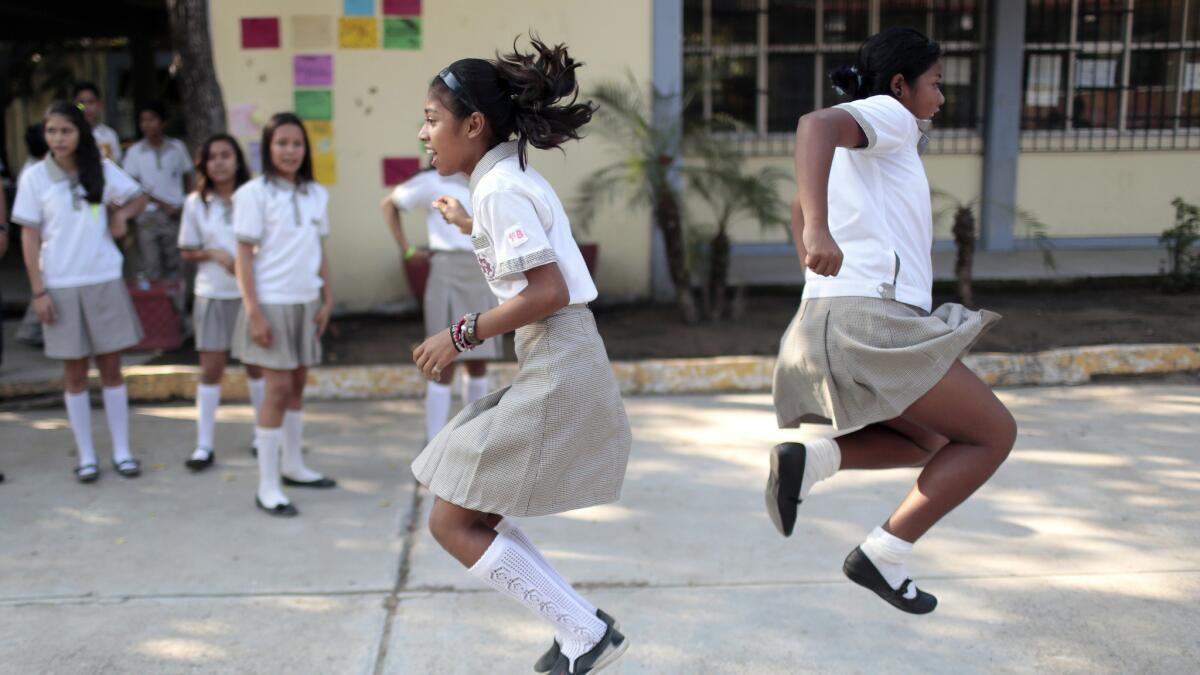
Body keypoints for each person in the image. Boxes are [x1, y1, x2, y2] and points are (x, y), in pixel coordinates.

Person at [764, 27, 1015, 615]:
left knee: (928, 437)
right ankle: (885, 553)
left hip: (824, 319)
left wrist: (813, 237)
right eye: (936, 83)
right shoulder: (890, 115)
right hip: (870, 319)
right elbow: (813, 126)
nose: (941, 98)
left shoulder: (870, 145)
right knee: (992, 434)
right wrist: (819, 234)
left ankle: (812, 460)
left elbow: (799, 203)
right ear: (901, 84)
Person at [410, 37, 631, 675]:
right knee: (465, 510)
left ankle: (584, 632)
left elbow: (548, 289)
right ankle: (583, 630)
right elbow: (534, 260)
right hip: (557, 357)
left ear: (472, 125)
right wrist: (467, 224)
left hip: (560, 360)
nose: (424, 133)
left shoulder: (500, 188)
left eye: (431, 118)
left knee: (452, 522)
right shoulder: (501, 181)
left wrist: (459, 335)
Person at [11, 101, 149, 483]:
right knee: (74, 373)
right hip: (60, 284)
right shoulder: (35, 177)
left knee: (111, 369)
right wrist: (39, 292)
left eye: (65, 131)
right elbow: (29, 235)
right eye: (51, 131)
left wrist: (120, 215)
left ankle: (122, 451)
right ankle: (87, 456)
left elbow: (139, 196)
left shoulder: (100, 169)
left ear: (80, 134)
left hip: (103, 278)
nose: (57, 138)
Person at [233, 112, 336, 517]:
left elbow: (321, 250)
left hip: (306, 301)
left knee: (296, 387)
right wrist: (254, 311)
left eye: (296, 143)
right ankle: (268, 485)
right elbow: (243, 257)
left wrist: (327, 298)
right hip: (271, 303)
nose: (290, 151)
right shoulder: (253, 194)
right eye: (281, 143)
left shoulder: (315, 194)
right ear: (267, 148)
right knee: (275, 391)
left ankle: (293, 467)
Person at [381, 166, 501, 441]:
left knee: (479, 361)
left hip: (483, 270)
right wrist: (407, 250)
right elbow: (389, 204)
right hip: (446, 271)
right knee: (442, 363)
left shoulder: (487, 179)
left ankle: (474, 437)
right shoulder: (430, 182)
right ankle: (434, 444)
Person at [178, 134, 263, 471]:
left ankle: (262, 435)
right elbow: (186, 251)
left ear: (237, 160)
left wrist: (246, 258)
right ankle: (204, 445)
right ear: (204, 164)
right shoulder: (197, 203)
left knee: (256, 367)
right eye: (212, 157)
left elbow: (267, 241)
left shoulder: (252, 197)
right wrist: (212, 254)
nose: (219, 162)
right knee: (210, 369)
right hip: (211, 295)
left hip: (249, 296)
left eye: (226, 155)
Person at [123, 102, 193, 280]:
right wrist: (163, 204)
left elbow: (188, 177)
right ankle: (155, 307)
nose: (146, 125)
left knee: (176, 266)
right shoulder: (134, 152)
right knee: (151, 265)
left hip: (175, 214)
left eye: (151, 119)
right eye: (142, 120)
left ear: (163, 123)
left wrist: (185, 203)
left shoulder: (177, 148)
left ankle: (177, 306)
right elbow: (134, 188)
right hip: (148, 216)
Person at [15, 123, 50, 347]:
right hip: (42, 238)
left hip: (46, 237)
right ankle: (31, 329)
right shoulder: (33, 173)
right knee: (43, 284)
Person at [74, 82, 123, 163]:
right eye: (81, 103)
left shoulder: (109, 134)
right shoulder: (69, 134)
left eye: (91, 102)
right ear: (74, 105)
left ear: (99, 104)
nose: (86, 107)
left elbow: (115, 165)